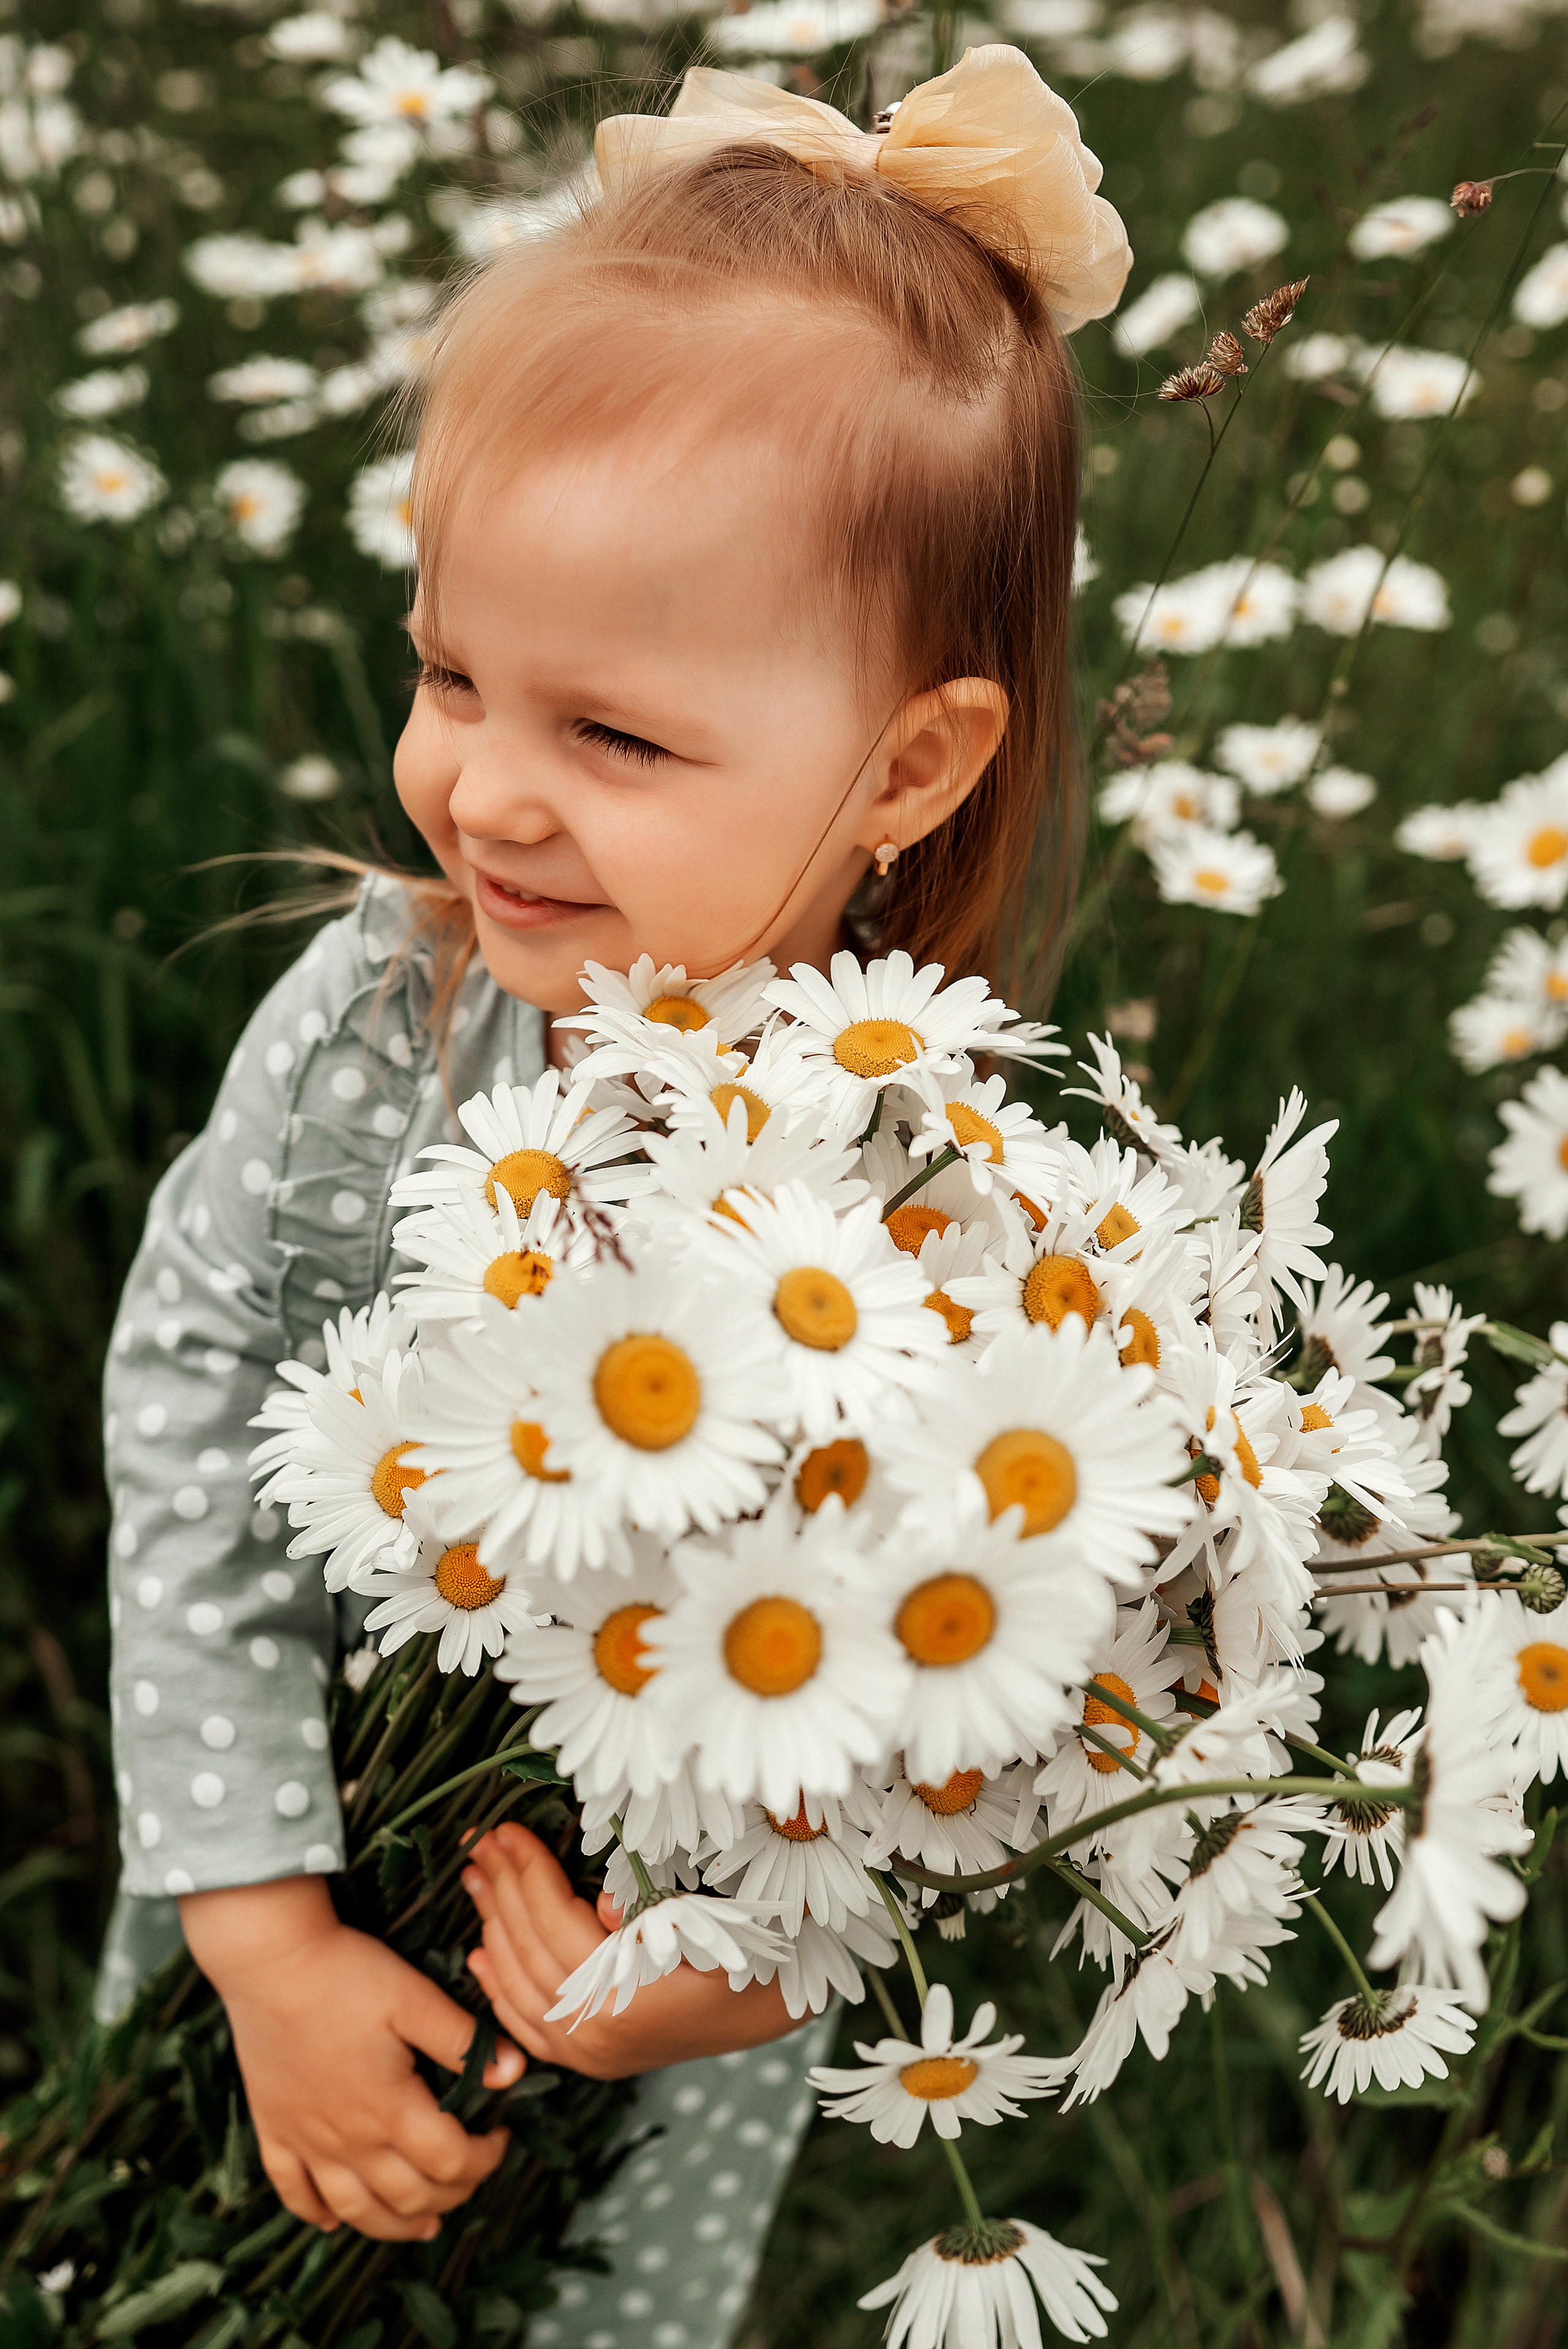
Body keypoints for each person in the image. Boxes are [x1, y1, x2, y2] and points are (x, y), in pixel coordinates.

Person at [100, 44, 1129, 2347]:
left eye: (619, 736)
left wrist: (756, 1976)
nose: (486, 792)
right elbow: (192, 1410)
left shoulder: (941, 1210)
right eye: (455, 674)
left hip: (646, 1991)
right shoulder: (380, 1028)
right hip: (288, 1838)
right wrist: (259, 1930)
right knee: (179, 2251)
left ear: (907, 764)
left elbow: (953, 1705)